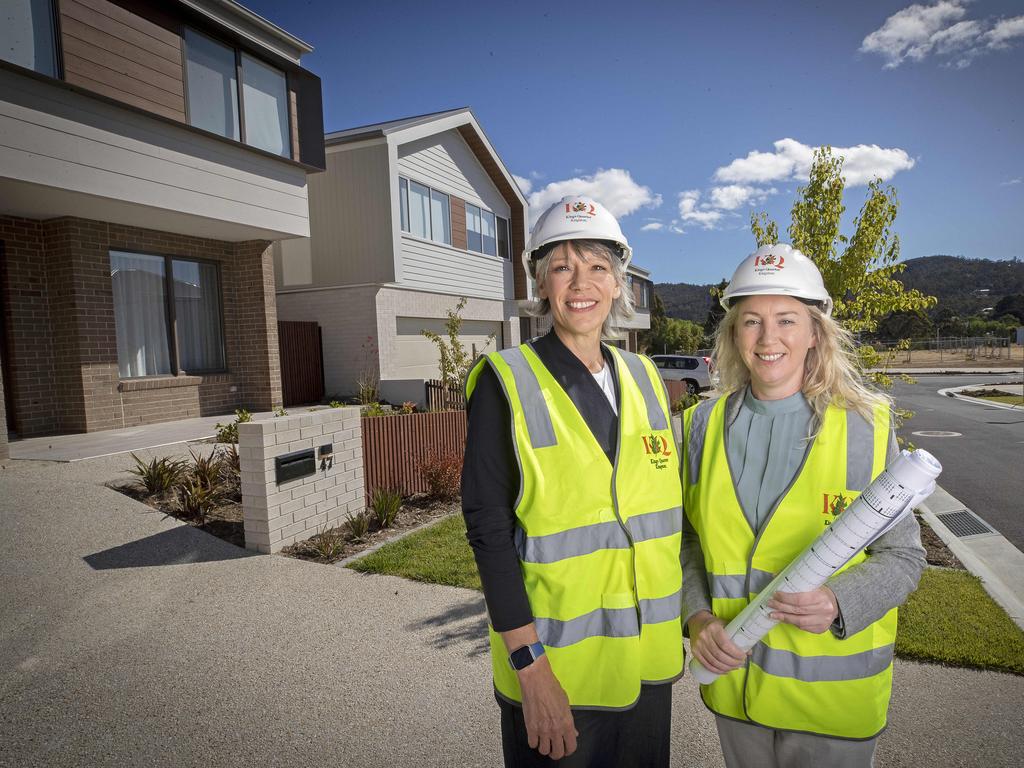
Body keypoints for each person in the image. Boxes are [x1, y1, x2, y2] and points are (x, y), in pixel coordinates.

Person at [681, 244, 927, 767]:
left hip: (831, 708)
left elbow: (904, 558)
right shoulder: (700, 427)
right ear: (733, 334)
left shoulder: (866, 426)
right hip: (736, 693)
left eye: (787, 320)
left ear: (815, 332)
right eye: (751, 322)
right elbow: (688, 542)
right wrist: (698, 618)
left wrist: (839, 601)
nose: (769, 339)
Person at [462, 196, 684, 767]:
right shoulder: (506, 381)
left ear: (619, 284)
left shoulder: (645, 378)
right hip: (558, 677)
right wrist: (530, 669)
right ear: (542, 283)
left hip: (647, 670)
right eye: (562, 267)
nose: (580, 283)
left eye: (597, 267)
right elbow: (488, 532)